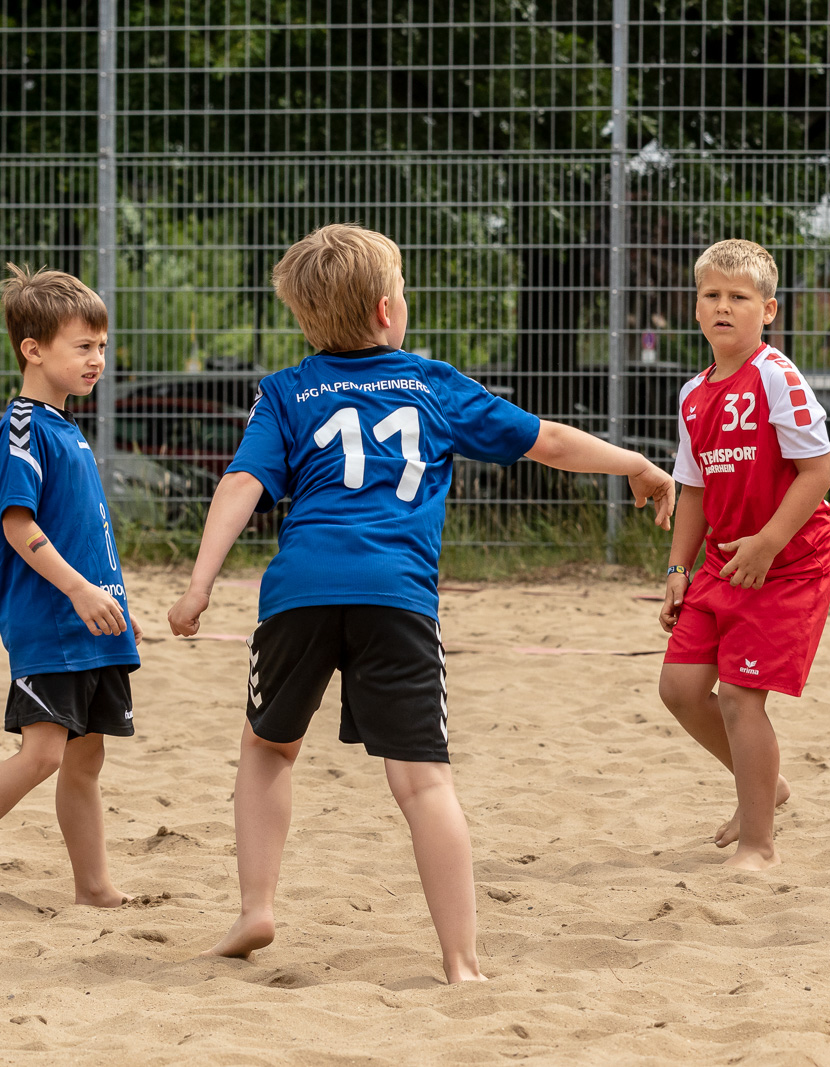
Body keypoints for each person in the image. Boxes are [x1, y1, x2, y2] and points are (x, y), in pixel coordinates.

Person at [166, 224, 674, 982]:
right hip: (396, 597)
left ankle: (255, 909)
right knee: (424, 782)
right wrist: (635, 463)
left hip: (299, 593)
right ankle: (461, 962)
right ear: (386, 310)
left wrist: (201, 582)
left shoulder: (285, 391)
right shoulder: (431, 384)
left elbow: (241, 483)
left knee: (268, 749)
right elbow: (550, 441)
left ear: (305, 321)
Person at [656, 239, 830, 872]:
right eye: (712, 295)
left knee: (738, 695)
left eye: (739, 296)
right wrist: (678, 569)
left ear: (769, 310)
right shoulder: (693, 393)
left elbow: (818, 472)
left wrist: (767, 543)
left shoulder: (777, 376)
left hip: (787, 562)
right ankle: (766, 785)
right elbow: (694, 488)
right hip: (724, 562)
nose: (723, 306)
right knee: (680, 689)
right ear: (696, 307)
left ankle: (759, 844)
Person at [0, 264, 140, 908]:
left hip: (94, 623)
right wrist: (81, 592)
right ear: (33, 350)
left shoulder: (66, 426)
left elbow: (85, 531)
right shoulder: (22, 426)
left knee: (86, 761)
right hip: (53, 623)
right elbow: (17, 524)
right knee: (43, 755)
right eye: (83, 346)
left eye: (101, 346)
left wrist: (113, 600)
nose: (97, 359)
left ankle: (94, 888)